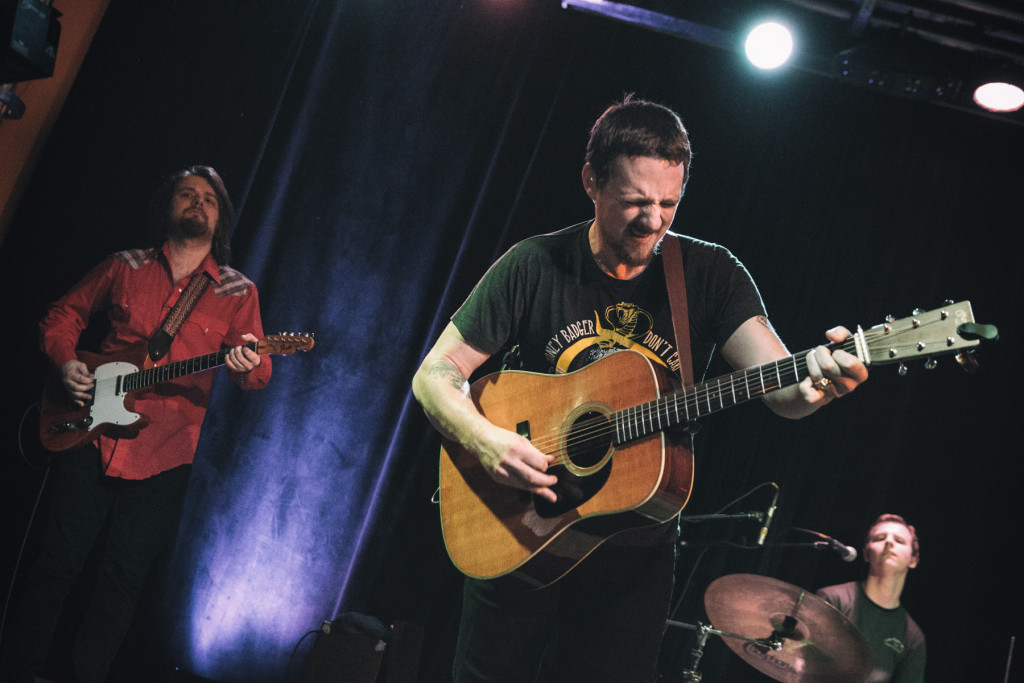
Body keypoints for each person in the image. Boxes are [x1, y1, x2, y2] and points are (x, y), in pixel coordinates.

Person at [411, 95, 870, 682]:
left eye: (668, 203)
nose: (653, 221)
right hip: (519, 531)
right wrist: (484, 441)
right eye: (635, 201)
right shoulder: (534, 264)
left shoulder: (709, 274)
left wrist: (821, 386)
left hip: (635, 555)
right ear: (591, 182)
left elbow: (782, 387)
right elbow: (436, 374)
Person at [0, 165, 272, 683]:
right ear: (166, 208)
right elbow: (62, 316)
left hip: (165, 452)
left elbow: (259, 371)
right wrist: (66, 363)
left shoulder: (239, 292)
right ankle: (19, 669)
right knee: (57, 561)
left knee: (122, 580)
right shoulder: (125, 265)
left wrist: (250, 363)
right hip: (89, 433)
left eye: (209, 199)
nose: (197, 203)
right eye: (187, 194)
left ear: (221, 220)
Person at [817, 514, 926, 683]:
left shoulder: (912, 636)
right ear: (866, 553)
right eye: (880, 538)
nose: (889, 543)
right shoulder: (833, 599)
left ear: (913, 560)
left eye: (899, 540)